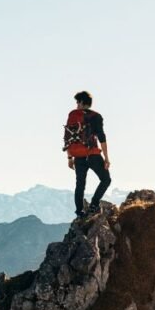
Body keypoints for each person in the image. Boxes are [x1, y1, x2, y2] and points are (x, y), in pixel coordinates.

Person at [63, 90, 112, 218]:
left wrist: (69, 157)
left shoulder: (72, 115)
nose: (76, 105)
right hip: (92, 154)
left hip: (78, 156)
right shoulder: (96, 116)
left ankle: (79, 212)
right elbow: (101, 137)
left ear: (82, 102)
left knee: (80, 184)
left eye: (78, 102)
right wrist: (106, 158)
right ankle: (93, 206)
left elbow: (68, 137)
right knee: (106, 179)